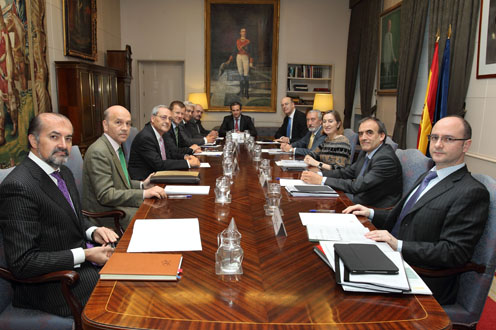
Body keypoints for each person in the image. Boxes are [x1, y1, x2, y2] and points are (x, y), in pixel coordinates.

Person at [343, 116, 489, 305]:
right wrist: (370, 213)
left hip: (422, 277)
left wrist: (398, 245)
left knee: (346, 301)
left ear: (466, 145)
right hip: (392, 259)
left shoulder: (471, 192)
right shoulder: (428, 176)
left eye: (448, 139)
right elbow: (405, 217)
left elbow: (454, 253)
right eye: (434, 137)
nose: (438, 144)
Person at [0, 113, 118, 317]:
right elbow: (23, 262)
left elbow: (73, 216)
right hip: (53, 284)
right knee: (123, 293)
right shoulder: (18, 186)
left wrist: (93, 231)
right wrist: (86, 254)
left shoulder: (63, 172)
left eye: (69, 138)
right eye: (54, 137)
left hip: (79, 262)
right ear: (33, 140)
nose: (64, 145)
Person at [83, 105, 166, 229]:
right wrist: (144, 193)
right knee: (158, 217)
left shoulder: (115, 147)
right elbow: (106, 195)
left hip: (121, 206)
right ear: (105, 125)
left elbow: (120, 183)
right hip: (109, 216)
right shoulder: (99, 152)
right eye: (118, 123)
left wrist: (143, 185)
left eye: (128, 124)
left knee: (162, 210)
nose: (125, 128)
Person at [301, 117, 402, 208]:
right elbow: (347, 172)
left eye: (369, 133)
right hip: (358, 198)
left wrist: (321, 180)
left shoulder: (385, 159)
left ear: (381, 136)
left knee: (314, 206)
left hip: (371, 208)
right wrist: (318, 174)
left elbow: (357, 186)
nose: (363, 138)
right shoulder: (367, 151)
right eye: (361, 134)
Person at [128, 105, 200, 180]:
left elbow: (170, 153)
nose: (167, 121)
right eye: (163, 117)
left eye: (170, 119)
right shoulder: (146, 137)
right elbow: (159, 165)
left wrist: (185, 157)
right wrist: (188, 163)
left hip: (158, 174)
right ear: (153, 118)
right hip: (145, 180)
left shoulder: (162, 133)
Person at [225, 27, 253, 98]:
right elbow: (234, 51)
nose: (243, 33)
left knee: (246, 75)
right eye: (242, 31)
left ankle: (246, 92)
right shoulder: (237, 41)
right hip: (238, 57)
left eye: (244, 31)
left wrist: (251, 61)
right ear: (240, 33)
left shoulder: (248, 41)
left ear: (245, 33)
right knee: (241, 75)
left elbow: (251, 52)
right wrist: (229, 60)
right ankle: (241, 91)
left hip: (245, 57)